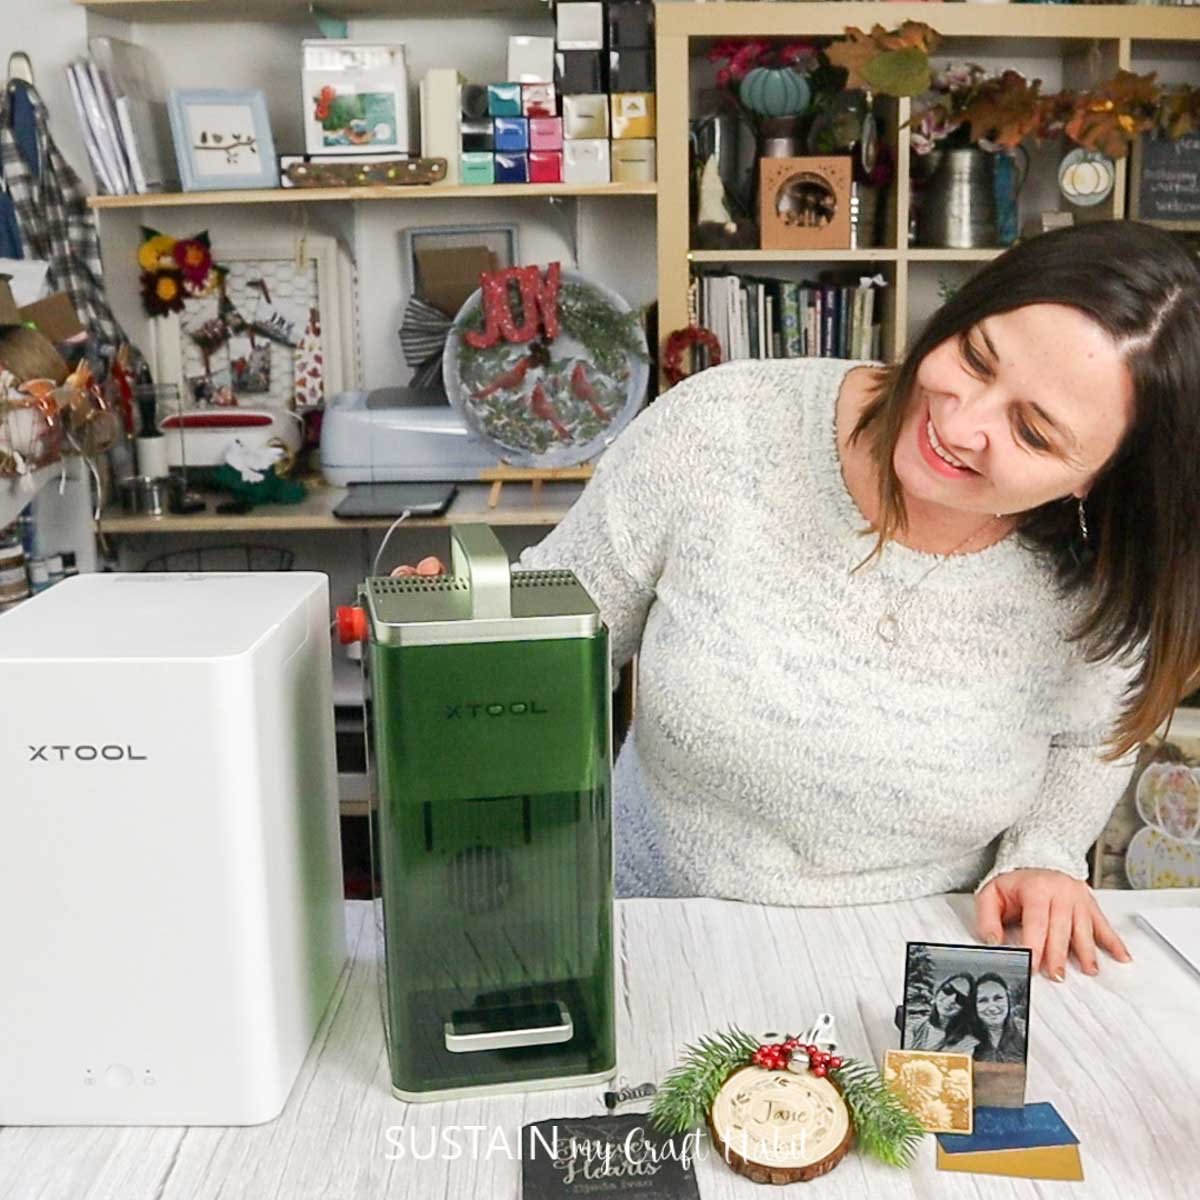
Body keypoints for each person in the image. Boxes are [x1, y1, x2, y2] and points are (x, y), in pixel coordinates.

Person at [394, 220, 1200, 983]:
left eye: (1032, 432)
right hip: (651, 936)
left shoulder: (1104, 573)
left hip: (922, 957)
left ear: (1099, 475)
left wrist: (1044, 851)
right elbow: (560, 639)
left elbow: (1096, 735)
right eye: (978, 359)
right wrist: (459, 648)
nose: (961, 424)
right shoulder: (723, 426)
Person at [907, 974, 979, 1054]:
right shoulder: (915, 1027)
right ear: (938, 990)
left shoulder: (967, 1044)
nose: (951, 1000)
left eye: (960, 998)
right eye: (948, 990)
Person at [971, 973, 1027, 1063]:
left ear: (1008, 999)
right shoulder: (968, 1038)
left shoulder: (1024, 1031)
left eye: (998, 998)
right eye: (983, 1000)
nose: (992, 1008)